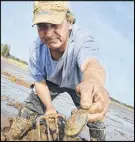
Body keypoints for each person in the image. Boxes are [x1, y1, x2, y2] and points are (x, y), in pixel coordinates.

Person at [5, 1, 111, 141]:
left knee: (95, 116)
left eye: (55, 24)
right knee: (31, 106)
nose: (48, 34)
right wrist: (49, 107)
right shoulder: (36, 50)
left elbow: (92, 64)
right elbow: (40, 82)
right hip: (51, 82)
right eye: (42, 26)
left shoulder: (82, 40)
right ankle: (10, 136)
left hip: (80, 85)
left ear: (69, 21)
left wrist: (93, 82)